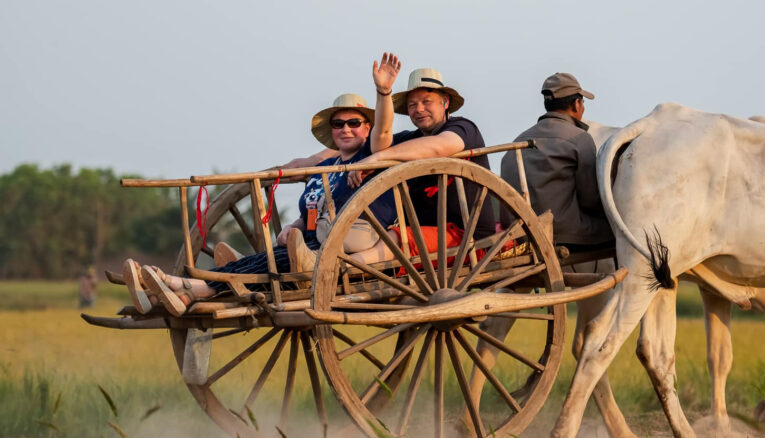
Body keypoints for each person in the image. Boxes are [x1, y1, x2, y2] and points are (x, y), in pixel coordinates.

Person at [123, 93, 392, 316]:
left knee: (275, 261)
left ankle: (186, 286)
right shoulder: (325, 167)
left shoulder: (372, 157)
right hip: (312, 241)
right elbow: (314, 207)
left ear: (367, 128)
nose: (345, 129)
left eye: (354, 122)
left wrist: (384, 92)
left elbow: (383, 133)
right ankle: (166, 296)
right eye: (338, 124)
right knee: (267, 259)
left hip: (341, 247)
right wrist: (293, 225)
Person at [291, 53, 496, 268]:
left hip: (467, 236)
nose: (418, 109)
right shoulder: (411, 139)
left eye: (426, 102)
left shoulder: (463, 128)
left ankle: (329, 267)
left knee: (397, 237)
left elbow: (439, 146)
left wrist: (377, 157)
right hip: (421, 230)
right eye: (412, 105)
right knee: (388, 234)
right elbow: (366, 142)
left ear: (445, 103)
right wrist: (307, 162)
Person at [499, 72, 613, 251]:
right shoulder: (579, 138)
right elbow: (590, 200)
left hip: (519, 234)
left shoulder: (517, 140)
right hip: (560, 234)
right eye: (583, 102)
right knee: (619, 233)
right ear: (577, 104)